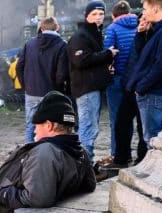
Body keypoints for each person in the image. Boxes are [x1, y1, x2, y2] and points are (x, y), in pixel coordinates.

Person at [68, 0, 118, 161]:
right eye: (94, 14)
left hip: (91, 88)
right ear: (86, 16)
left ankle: (85, 163)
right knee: (88, 128)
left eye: (101, 14)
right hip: (86, 89)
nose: (98, 17)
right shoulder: (80, 36)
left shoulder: (93, 34)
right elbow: (81, 61)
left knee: (90, 128)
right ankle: (84, 165)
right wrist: (108, 54)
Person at [17, 16, 70, 143]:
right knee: (51, 128)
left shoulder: (29, 43)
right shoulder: (62, 45)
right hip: (52, 93)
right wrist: (59, 90)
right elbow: (61, 74)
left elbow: (19, 67)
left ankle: (28, 156)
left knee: (31, 126)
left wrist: (26, 86)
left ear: (41, 28)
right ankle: (47, 155)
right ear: (57, 28)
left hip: (31, 92)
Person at [108, 12, 151, 169]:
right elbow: (134, 58)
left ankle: (142, 158)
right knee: (121, 123)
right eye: (141, 19)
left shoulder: (156, 35)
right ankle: (122, 158)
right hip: (130, 85)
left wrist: (141, 86)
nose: (142, 22)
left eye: (145, 19)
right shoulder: (139, 34)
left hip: (143, 88)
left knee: (143, 127)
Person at [126, 0, 162, 150]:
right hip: (151, 92)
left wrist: (142, 87)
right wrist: (140, 34)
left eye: (145, 8)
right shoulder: (157, 30)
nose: (143, 13)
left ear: (155, 8)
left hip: (153, 94)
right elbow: (143, 55)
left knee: (154, 141)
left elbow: (161, 65)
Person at [104, 1, 139, 161]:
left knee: (117, 119)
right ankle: (133, 153)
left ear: (113, 15)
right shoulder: (139, 25)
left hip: (117, 78)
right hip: (135, 78)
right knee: (132, 117)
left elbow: (108, 52)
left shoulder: (112, 28)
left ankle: (117, 154)